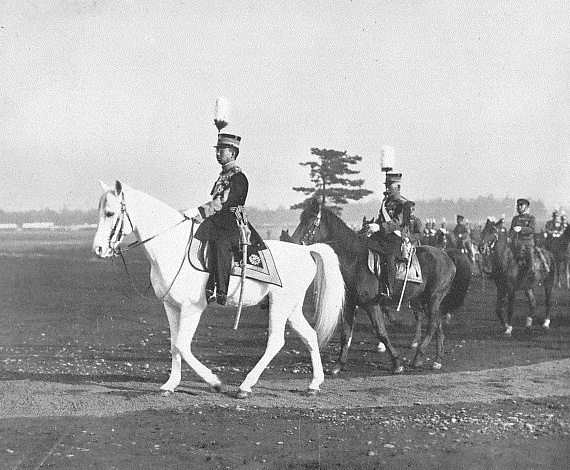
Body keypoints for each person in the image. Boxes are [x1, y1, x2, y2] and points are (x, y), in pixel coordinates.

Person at [183, 132, 264, 305]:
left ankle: (220, 290)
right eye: (217, 149)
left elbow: (222, 202)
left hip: (232, 222)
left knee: (220, 242)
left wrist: (200, 211)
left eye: (222, 150)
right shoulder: (223, 176)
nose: (218, 153)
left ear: (233, 153)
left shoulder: (238, 178)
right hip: (219, 219)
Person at [366, 172, 414, 299]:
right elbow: (381, 219)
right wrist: (373, 227)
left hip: (396, 238)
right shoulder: (385, 203)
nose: (387, 189)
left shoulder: (404, 204)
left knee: (389, 258)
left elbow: (398, 222)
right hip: (382, 236)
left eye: (389, 186)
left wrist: (380, 227)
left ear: (398, 187)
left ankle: (389, 288)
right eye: (386, 186)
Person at [508, 198, 547, 275]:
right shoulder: (515, 218)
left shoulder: (531, 218)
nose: (519, 207)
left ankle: (532, 272)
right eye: (518, 205)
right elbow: (511, 230)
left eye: (521, 205)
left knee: (529, 254)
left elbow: (531, 229)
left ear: (526, 207)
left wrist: (521, 229)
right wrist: (509, 236)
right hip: (516, 243)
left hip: (527, 242)